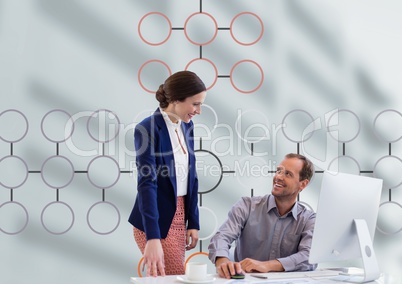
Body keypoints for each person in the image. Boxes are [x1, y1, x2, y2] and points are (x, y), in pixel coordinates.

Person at [128, 71, 207, 277]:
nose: (198, 111)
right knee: (174, 277)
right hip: (155, 219)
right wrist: (152, 238)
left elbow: (191, 176)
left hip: (180, 215)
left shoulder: (187, 126)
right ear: (175, 100)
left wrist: (193, 221)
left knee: (168, 279)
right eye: (195, 104)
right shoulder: (147, 129)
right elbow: (147, 184)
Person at [208, 153, 317, 279]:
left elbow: (309, 257)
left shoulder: (308, 219)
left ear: (302, 184)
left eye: (288, 174)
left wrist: (268, 265)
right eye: (279, 171)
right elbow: (222, 237)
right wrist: (222, 261)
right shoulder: (247, 206)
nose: (278, 177)